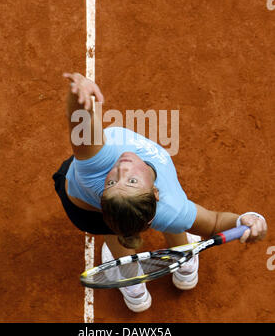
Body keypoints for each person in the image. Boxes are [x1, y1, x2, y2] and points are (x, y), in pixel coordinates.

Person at [53, 72, 267, 313]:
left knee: (120, 226)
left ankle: (135, 291)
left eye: (112, 183)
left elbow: (79, 120)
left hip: (107, 209)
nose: (120, 169)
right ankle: (173, 269)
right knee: (114, 226)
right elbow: (215, 222)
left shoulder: (95, 163)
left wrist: (78, 96)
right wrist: (248, 219)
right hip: (86, 210)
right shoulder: (173, 209)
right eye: (130, 180)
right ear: (156, 193)